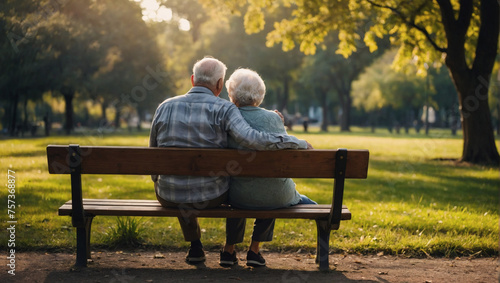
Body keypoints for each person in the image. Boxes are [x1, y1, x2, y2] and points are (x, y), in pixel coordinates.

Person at [149, 57, 312, 265]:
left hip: (167, 195)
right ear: (219, 84)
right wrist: (294, 142)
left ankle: (196, 247)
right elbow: (253, 139)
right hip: (211, 195)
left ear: (192, 80)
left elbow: (152, 150)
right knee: (234, 185)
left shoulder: (164, 106)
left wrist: (158, 181)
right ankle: (243, 249)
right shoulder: (225, 109)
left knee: (180, 184)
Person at [220, 68, 317, 268]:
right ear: (260, 94)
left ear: (231, 93)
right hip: (277, 196)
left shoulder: (227, 118)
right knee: (272, 186)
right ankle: (254, 250)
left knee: (239, 188)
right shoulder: (274, 118)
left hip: (238, 197)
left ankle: (229, 250)